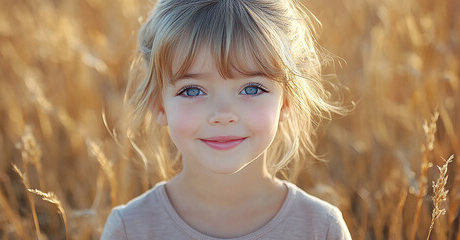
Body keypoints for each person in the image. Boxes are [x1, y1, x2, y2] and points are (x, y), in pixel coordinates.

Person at [101, 0, 352, 239]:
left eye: (252, 88)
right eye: (192, 90)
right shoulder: (130, 230)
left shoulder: (321, 229)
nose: (223, 115)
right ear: (159, 105)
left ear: (286, 100)